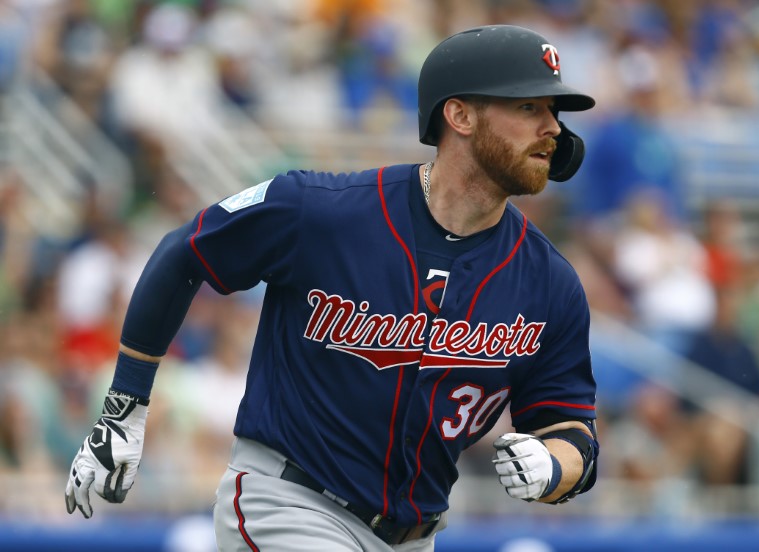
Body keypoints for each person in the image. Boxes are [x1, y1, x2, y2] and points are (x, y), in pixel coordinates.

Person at [65, 25, 600, 551]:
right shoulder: (321, 210)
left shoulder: (549, 282)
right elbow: (185, 253)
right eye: (529, 107)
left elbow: (571, 429)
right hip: (290, 503)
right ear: (458, 115)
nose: (553, 127)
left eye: (554, 111)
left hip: (415, 537)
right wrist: (124, 407)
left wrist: (553, 467)